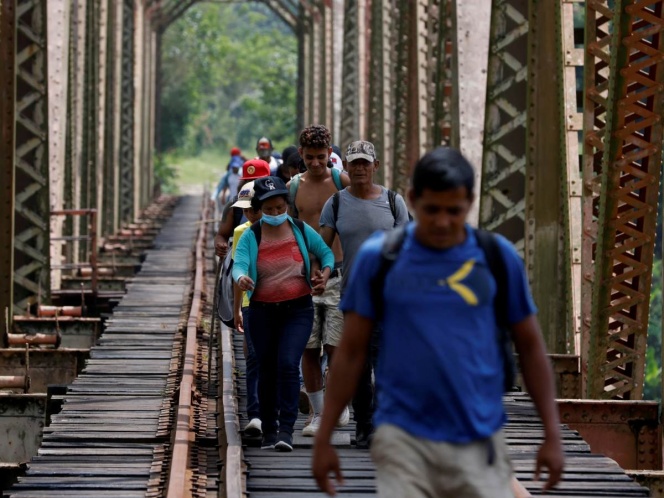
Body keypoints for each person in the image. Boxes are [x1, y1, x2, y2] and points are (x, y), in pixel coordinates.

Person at [312, 147, 564, 497]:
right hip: (403, 438)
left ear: (470, 202)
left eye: (454, 211)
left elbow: (531, 347)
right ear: (413, 200)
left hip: (476, 433)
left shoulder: (496, 258)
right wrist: (324, 437)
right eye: (432, 210)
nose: (443, 222)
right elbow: (351, 353)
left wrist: (552, 434)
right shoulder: (380, 259)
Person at [233, 176, 335, 452]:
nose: (276, 214)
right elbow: (238, 265)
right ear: (260, 209)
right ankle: (268, 430)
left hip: (297, 309)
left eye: (280, 208)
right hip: (261, 311)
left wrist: (324, 275)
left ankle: (286, 431)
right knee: (266, 368)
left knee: (288, 364)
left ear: (287, 206)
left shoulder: (301, 229)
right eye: (269, 210)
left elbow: (326, 254)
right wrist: (242, 278)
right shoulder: (252, 235)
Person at [318, 140, 409, 448]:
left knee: (385, 364)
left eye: (364, 163)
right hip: (354, 298)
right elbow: (323, 247)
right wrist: (320, 272)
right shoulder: (337, 203)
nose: (359, 168)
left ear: (375, 166)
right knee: (359, 366)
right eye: (353, 163)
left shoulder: (394, 202)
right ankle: (363, 425)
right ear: (346, 166)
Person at [287, 124, 350, 437]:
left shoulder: (341, 181)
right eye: (309, 157)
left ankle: (338, 403)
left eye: (321, 157)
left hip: (337, 275)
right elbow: (284, 229)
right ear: (301, 154)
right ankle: (317, 414)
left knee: (335, 345)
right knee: (308, 348)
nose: (315, 163)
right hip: (304, 277)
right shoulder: (294, 186)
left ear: (330, 155)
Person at [231, 181, 263, 437]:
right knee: (253, 358)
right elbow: (237, 272)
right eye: (245, 210)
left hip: (279, 302)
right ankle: (255, 414)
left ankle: (271, 412)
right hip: (251, 303)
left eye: (252, 209)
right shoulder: (242, 232)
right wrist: (236, 309)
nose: (248, 214)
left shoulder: (285, 229)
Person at [214, 159, 271, 258]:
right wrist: (220, 245)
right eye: (250, 180)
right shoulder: (234, 206)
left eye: (258, 181)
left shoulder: (277, 203)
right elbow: (222, 235)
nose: (253, 185)